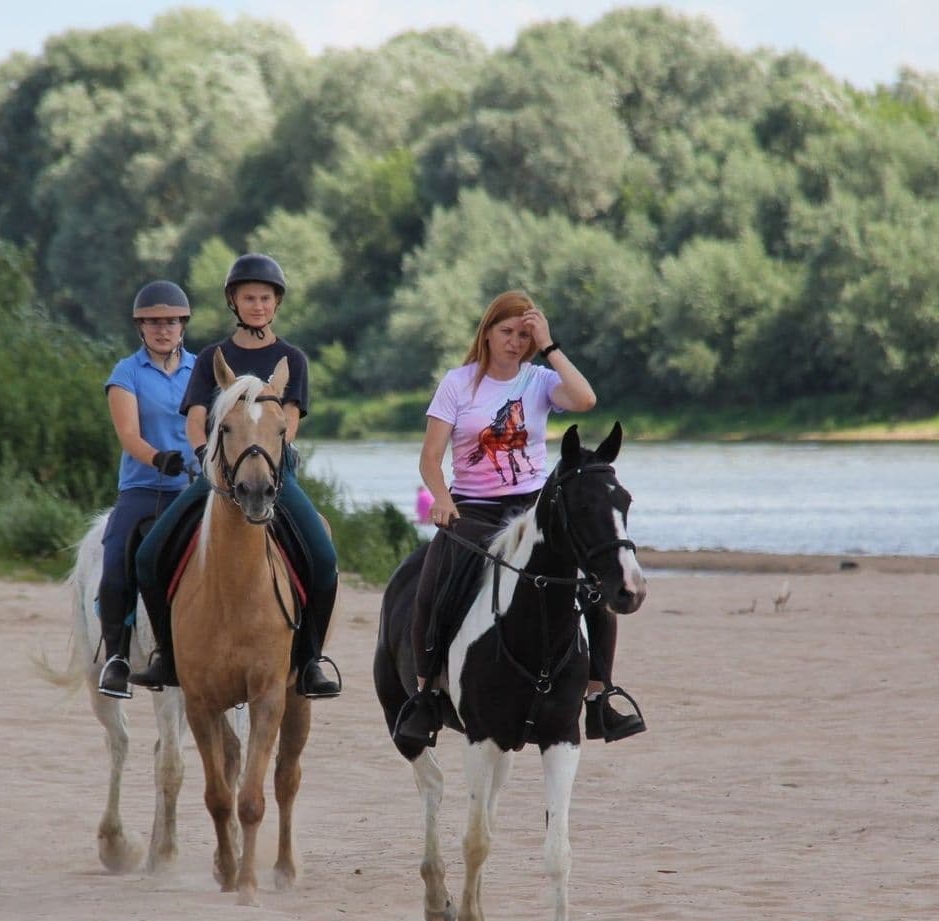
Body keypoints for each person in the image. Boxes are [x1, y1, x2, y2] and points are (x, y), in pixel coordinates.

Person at [394, 289, 646, 747]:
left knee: (592, 585)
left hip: (533, 510)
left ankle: (599, 696)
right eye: (506, 332)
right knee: (435, 578)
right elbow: (431, 458)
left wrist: (549, 343)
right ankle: (427, 695)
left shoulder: (539, 380)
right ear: (487, 332)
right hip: (472, 509)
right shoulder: (458, 383)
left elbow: (585, 399)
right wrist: (441, 500)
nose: (514, 342)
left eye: (523, 335)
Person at [129, 253, 342, 699]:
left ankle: (309, 660)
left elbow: (289, 419)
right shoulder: (211, 358)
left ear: (276, 302)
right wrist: (207, 453)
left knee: (322, 556)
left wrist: (267, 455)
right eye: (249, 298)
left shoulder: (292, 359)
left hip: (276, 478)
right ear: (233, 301)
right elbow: (195, 421)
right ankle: (168, 657)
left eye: (265, 298)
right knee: (149, 555)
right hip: (219, 479)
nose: (258, 305)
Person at [96, 280, 197, 698]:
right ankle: (118, 658)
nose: (163, 329)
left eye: (170, 322)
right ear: (141, 327)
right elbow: (128, 434)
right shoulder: (126, 372)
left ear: (182, 325)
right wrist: (159, 458)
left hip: (196, 485)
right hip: (145, 485)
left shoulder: (203, 369)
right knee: (118, 560)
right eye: (153, 323)